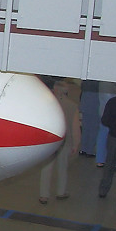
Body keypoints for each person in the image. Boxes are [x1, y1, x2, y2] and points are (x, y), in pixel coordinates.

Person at [39, 77, 79, 205]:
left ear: (56, 90)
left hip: (50, 142)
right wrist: (76, 144)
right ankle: (61, 192)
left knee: (46, 168)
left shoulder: (48, 103)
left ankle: (44, 195)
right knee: (63, 168)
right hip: (65, 142)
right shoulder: (73, 106)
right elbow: (75, 128)